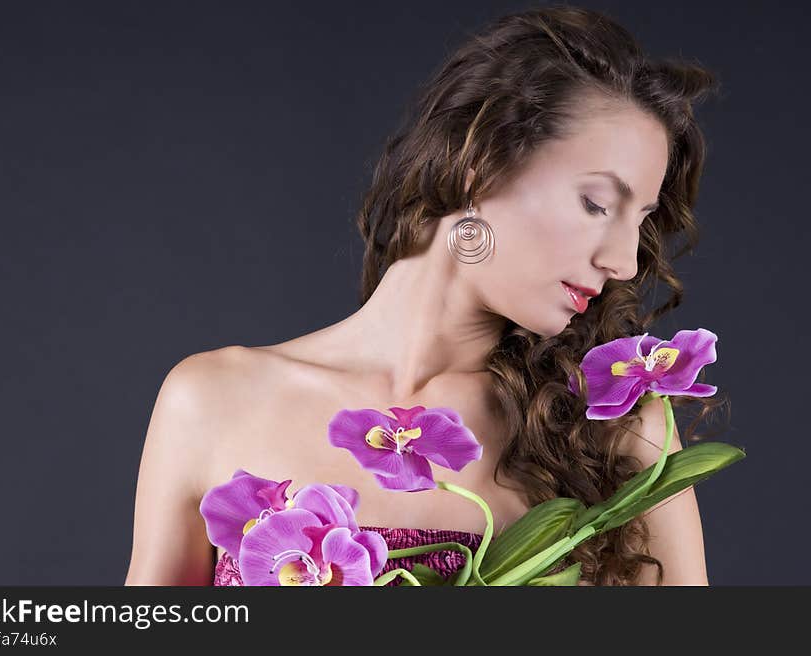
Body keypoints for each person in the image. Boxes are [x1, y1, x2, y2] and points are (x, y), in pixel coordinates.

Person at [125, 6, 728, 586]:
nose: (623, 260)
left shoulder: (612, 431)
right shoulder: (213, 399)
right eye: (596, 204)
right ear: (480, 163)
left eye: (639, 220)